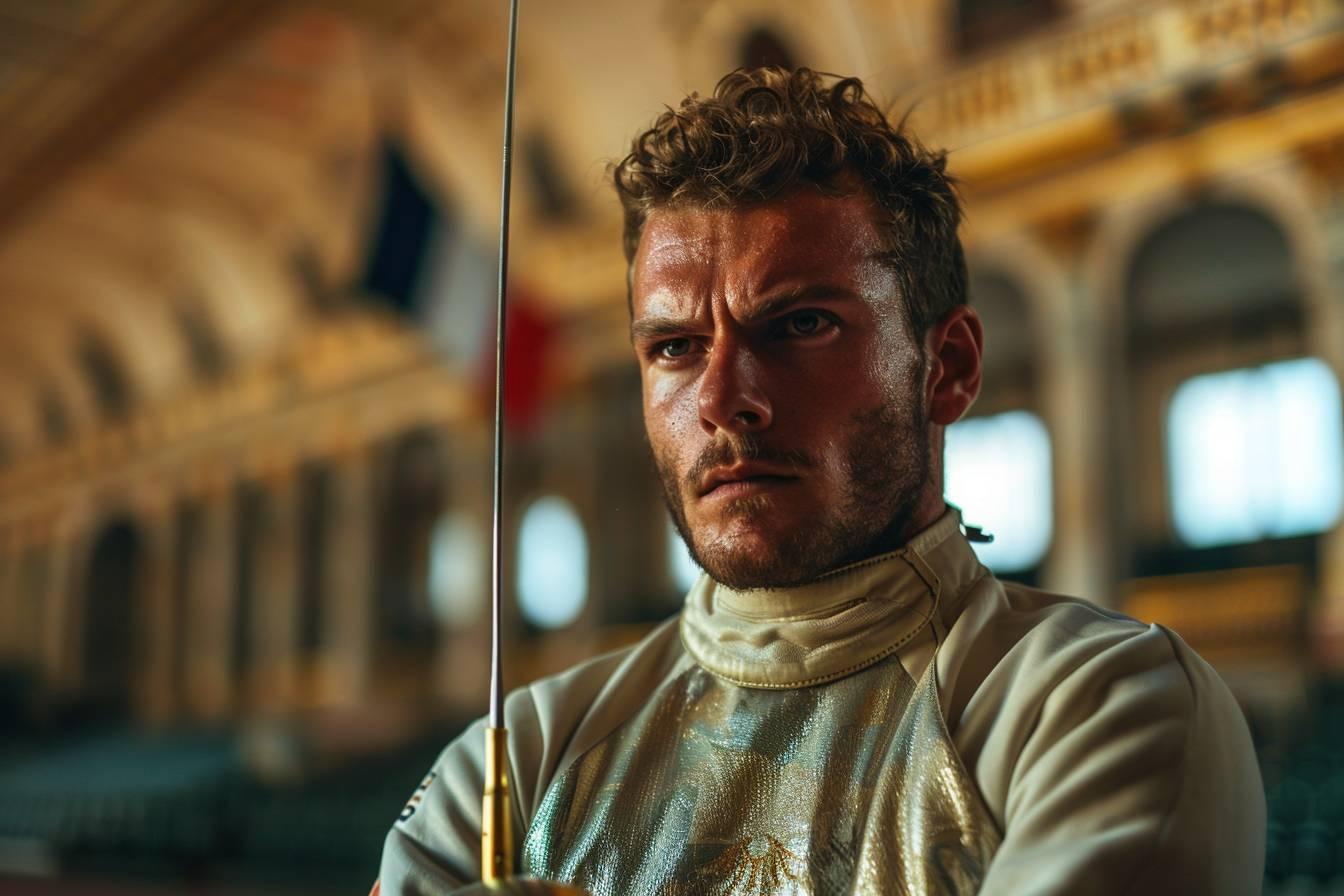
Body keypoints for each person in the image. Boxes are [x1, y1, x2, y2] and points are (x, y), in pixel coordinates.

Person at [377, 68, 1265, 895]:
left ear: (945, 366)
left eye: (799, 324)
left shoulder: (1095, 706)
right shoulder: (519, 755)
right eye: (676, 348)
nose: (725, 401)